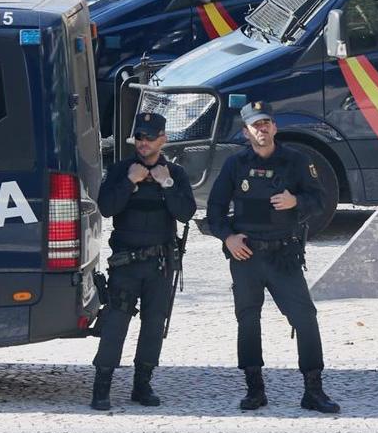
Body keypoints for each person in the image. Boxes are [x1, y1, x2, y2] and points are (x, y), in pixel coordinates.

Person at [206, 101, 340, 414]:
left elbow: (320, 200)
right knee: (248, 321)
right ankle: (254, 389)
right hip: (247, 256)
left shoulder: (295, 160)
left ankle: (313, 390)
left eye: (266, 122)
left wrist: (296, 201)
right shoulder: (235, 164)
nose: (262, 129)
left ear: (274, 127)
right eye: (256, 125)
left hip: (284, 255)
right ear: (246, 131)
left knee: (305, 319)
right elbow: (214, 210)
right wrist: (227, 237)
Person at [90, 112, 195, 411]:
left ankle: (142, 384)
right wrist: (129, 182)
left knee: (153, 325)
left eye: (149, 137)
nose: (143, 142)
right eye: (139, 137)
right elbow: (107, 207)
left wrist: (167, 184)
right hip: (126, 264)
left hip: (160, 265)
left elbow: (185, 213)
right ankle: (102, 386)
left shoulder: (175, 174)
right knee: (115, 324)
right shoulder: (121, 169)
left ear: (163, 139)